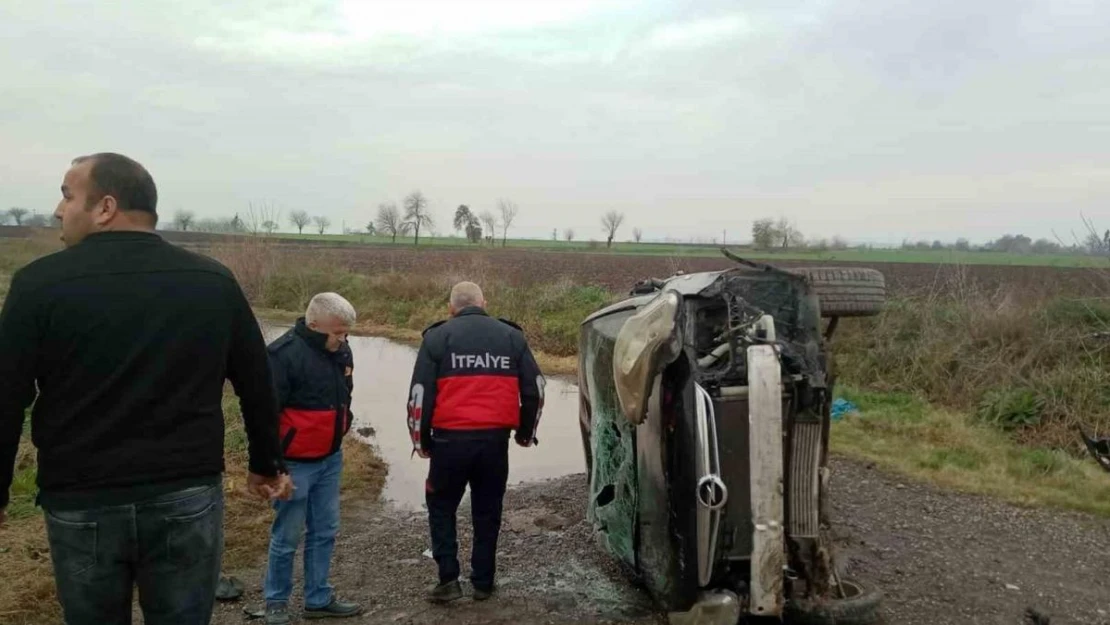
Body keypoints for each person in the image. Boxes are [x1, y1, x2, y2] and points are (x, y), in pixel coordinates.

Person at [0, 152, 292, 625]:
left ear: (105, 207)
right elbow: (257, 381)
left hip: (82, 501)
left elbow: (6, 399)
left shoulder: (38, 285)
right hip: (185, 495)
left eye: (67, 195)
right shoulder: (211, 281)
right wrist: (265, 464)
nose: (58, 210)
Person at [406, 281, 545, 603]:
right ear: (484, 302)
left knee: (441, 507)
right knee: (487, 509)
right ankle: (483, 581)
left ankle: (448, 581)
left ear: (451, 308)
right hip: (495, 444)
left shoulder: (436, 337)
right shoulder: (512, 336)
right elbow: (536, 389)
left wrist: (420, 441)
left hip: (448, 442)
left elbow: (419, 397)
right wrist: (526, 433)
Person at [261, 292, 363, 623]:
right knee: (287, 535)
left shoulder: (341, 351)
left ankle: (317, 599)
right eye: (337, 332)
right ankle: (275, 603)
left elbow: (344, 396)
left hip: (330, 460)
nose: (343, 339)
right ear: (313, 324)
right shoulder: (282, 355)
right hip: (294, 464)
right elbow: (265, 416)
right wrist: (275, 469)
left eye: (346, 332)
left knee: (325, 531)